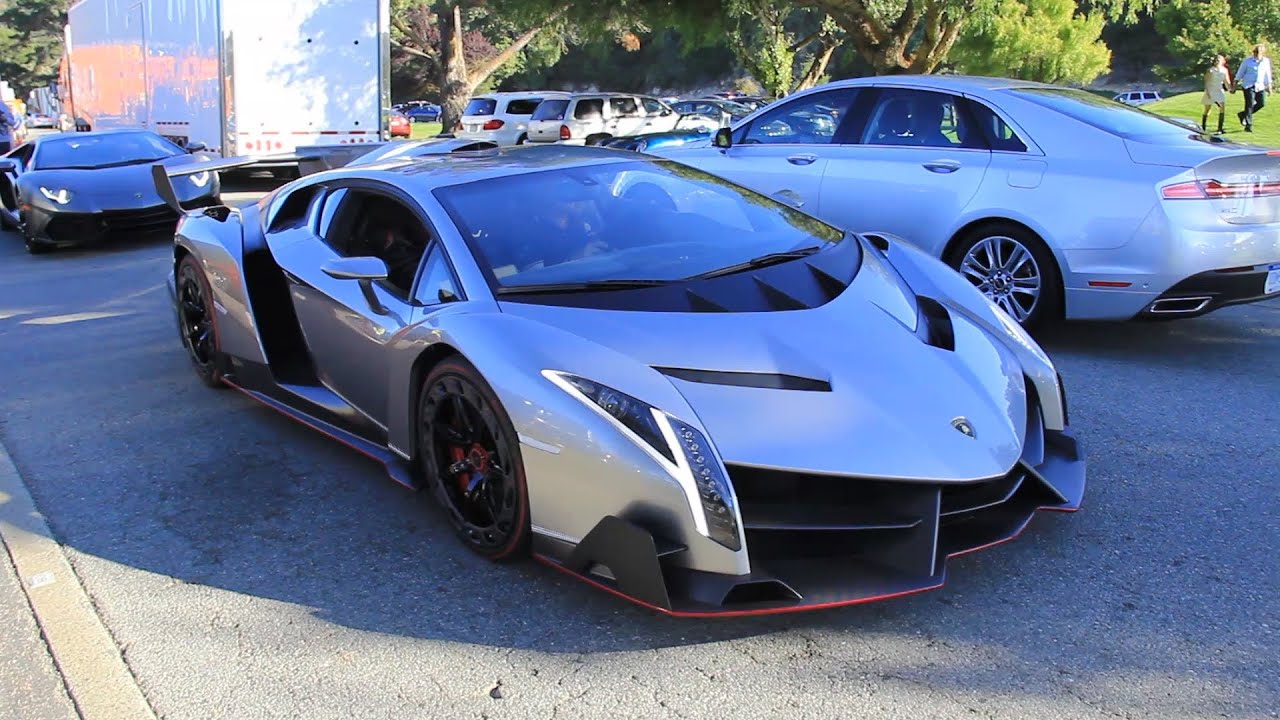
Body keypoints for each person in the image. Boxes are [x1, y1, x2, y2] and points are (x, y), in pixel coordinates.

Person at [1235, 44, 1273, 132]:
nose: (1257, 54)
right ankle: (1248, 125)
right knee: (1249, 104)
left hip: (1260, 86)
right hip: (1248, 85)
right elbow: (1240, 73)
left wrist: (1269, 87)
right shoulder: (1247, 61)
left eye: (1259, 52)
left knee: (1261, 103)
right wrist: (1235, 85)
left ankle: (1243, 114)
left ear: (1263, 53)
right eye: (1256, 52)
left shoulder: (1266, 61)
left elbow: (1267, 74)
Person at [1202, 54, 1232, 134]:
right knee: (1207, 109)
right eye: (1216, 60)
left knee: (1222, 108)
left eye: (1219, 60)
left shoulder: (1224, 70)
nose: (1217, 62)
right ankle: (1203, 127)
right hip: (1211, 90)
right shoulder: (1210, 70)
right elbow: (1207, 81)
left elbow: (1227, 81)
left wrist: (1230, 88)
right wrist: (1208, 92)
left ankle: (1220, 128)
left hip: (1219, 90)